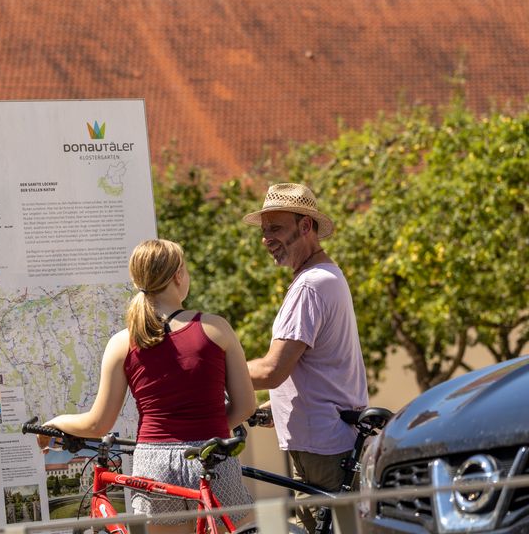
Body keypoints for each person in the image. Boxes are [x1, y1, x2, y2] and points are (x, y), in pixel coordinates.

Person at [37, 239, 256, 534]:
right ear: (179, 275)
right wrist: (206, 429)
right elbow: (245, 405)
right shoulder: (217, 328)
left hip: (155, 463)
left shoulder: (123, 342)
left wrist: (54, 422)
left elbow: (98, 423)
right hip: (212, 456)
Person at [242, 183, 368, 534]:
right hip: (323, 440)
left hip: (322, 448)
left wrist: (211, 372)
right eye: (264, 230)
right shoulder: (325, 276)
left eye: (276, 228)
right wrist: (273, 408)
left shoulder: (310, 286)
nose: (267, 239)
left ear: (306, 227)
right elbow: (318, 368)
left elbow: (271, 370)